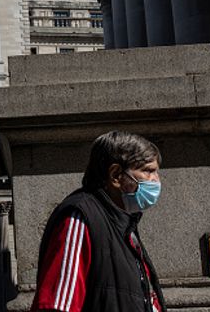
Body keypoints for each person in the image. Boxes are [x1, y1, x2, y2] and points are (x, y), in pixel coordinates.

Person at [31, 131, 165, 312]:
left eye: (156, 172)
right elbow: (57, 305)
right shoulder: (80, 217)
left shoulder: (125, 227)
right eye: (148, 171)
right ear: (116, 175)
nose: (156, 181)